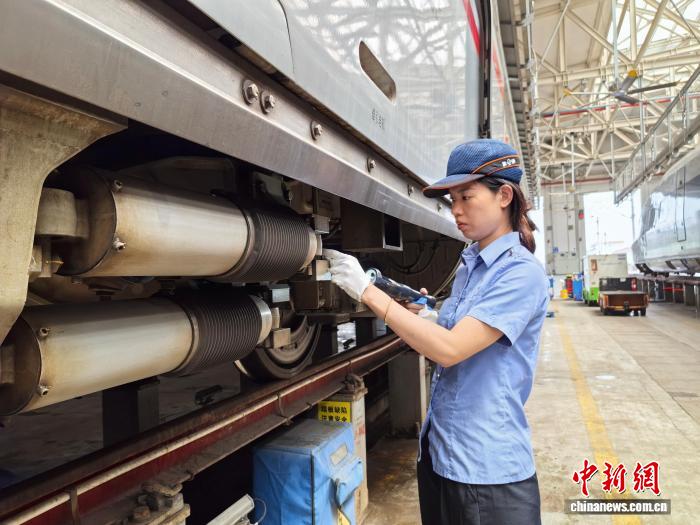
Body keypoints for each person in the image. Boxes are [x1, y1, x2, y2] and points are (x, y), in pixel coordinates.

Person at [323, 138, 549, 524]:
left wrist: (368, 293)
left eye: (466, 197)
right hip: (441, 458)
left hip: (487, 474)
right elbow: (448, 334)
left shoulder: (520, 273)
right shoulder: (471, 266)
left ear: (504, 196)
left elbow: (449, 348)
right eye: (452, 200)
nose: (456, 210)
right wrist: (421, 316)